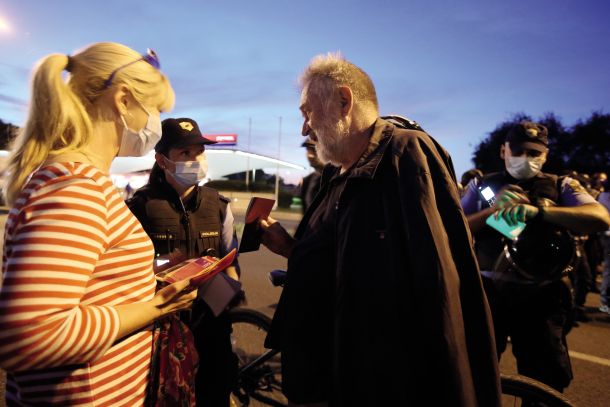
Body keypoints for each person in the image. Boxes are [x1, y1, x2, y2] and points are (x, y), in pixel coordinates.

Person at [260, 52, 501, 406]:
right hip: (333, 368)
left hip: (383, 378)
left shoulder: (406, 153)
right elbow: (340, 265)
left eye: (307, 112)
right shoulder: (337, 172)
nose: (304, 129)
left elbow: (437, 281)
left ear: (344, 100)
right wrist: (289, 249)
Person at [0, 42, 197, 405]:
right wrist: (155, 307)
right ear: (123, 100)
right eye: (153, 109)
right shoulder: (76, 189)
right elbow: (26, 338)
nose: (155, 122)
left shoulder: (78, 182)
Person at [461, 121, 610, 391]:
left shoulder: (561, 185)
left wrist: (541, 211)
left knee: (545, 381)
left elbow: (600, 218)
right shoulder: (482, 185)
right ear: (503, 150)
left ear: (545, 155)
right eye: (518, 151)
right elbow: (451, 226)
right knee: (474, 376)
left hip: (542, 295)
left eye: (534, 154)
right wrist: (491, 213)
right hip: (487, 292)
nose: (526, 159)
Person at [127, 117, 240, 406]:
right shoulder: (140, 208)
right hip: (159, 332)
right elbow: (126, 271)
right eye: (185, 153)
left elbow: (230, 261)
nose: (195, 160)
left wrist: (230, 283)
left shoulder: (219, 206)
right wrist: (165, 265)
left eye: (199, 152)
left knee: (214, 394)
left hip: (212, 329)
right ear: (162, 161)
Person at [298, 139, 324, 214]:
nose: (310, 155)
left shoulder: (337, 179)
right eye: (308, 150)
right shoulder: (307, 180)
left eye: (314, 150)